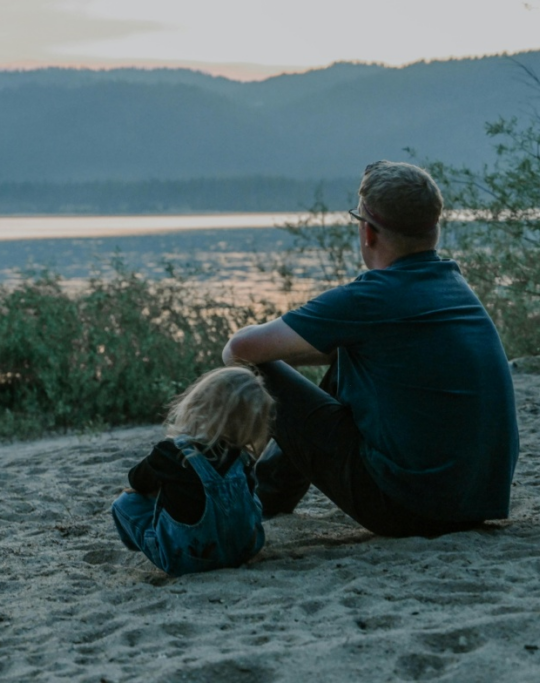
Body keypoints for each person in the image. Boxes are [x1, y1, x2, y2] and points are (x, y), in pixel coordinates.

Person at [222, 160, 519, 538]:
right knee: (349, 351)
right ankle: (269, 493)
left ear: (368, 233)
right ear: (434, 231)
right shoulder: (454, 287)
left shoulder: (372, 298)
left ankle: (261, 493)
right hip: (477, 500)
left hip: (406, 507)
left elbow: (238, 349)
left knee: (256, 368)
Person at [111, 366, 274, 575]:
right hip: (242, 551)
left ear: (199, 404)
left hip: (187, 560)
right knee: (250, 497)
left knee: (125, 502)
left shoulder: (170, 452)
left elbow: (136, 481)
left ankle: (145, 544)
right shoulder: (243, 458)